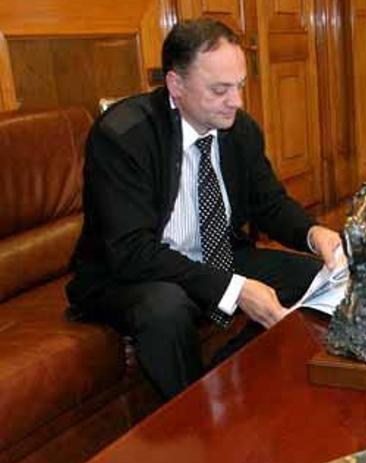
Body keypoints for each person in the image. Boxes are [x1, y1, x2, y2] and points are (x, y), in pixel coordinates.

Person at [66, 18, 342, 399]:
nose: (237, 101)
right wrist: (234, 288)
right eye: (220, 89)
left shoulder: (239, 129)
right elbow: (131, 252)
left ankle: (228, 377)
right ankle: (194, 418)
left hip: (213, 257)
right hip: (131, 274)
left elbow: (269, 203)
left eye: (240, 86)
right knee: (164, 308)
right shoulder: (123, 137)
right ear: (175, 85)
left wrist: (314, 234)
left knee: (314, 278)